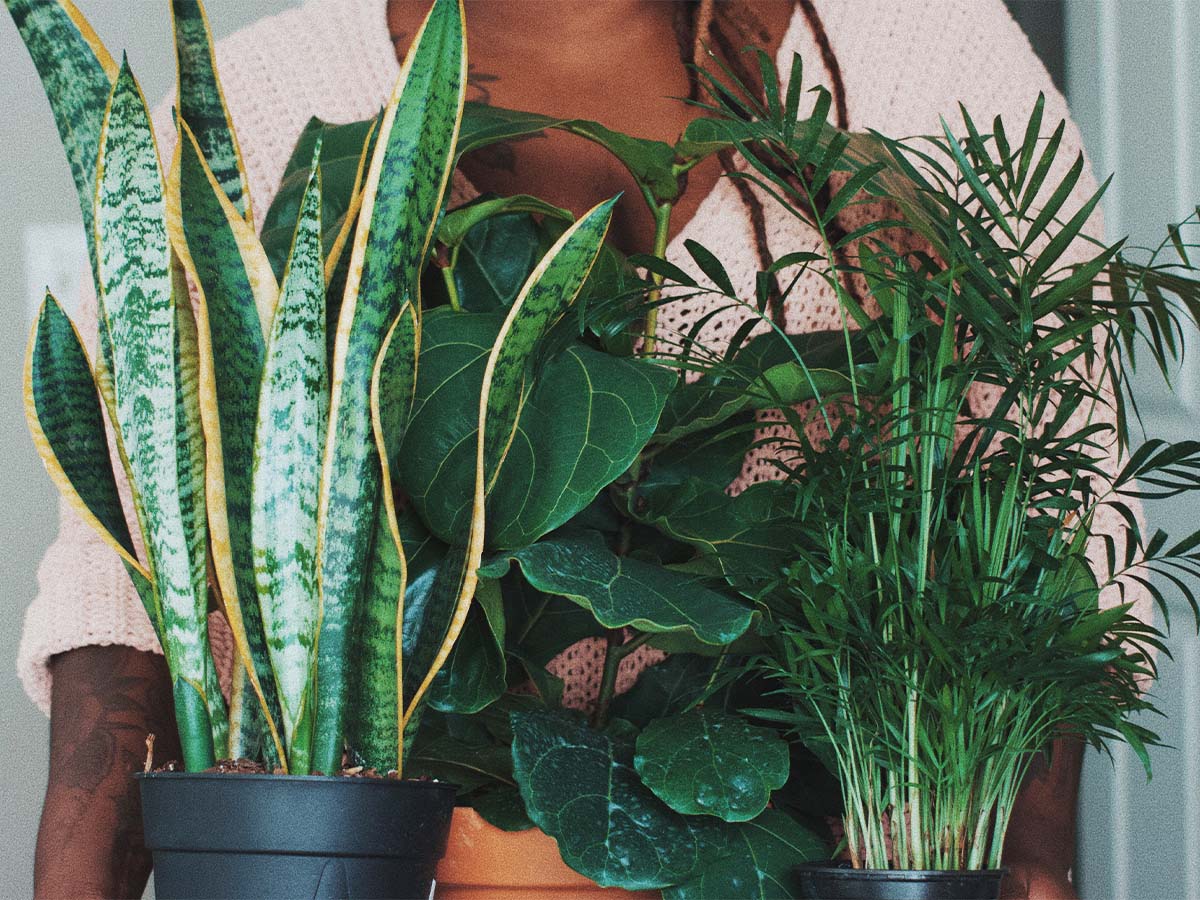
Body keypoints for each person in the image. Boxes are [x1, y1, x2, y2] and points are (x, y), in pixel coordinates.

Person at [18, 1, 1133, 897]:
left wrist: (1021, 850)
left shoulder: (915, 47)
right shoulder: (275, 96)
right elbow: (130, 559)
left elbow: (1060, 477)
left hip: (819, 853)